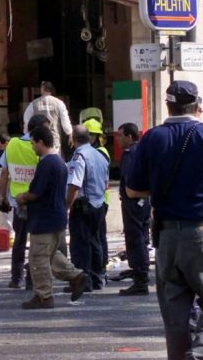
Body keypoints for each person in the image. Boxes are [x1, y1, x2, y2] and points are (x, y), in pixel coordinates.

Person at [126, 80, 203, 360]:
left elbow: (131, 190)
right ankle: (201, 355)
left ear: (167, 105)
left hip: (166, 236)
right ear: (197, 105)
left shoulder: (150, 138)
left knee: (175, 314)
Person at [14, 126, 91, 309]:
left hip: (44, 219)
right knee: (52, 254)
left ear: (41, 142)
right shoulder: (61, 162)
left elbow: (36, 192)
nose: (32, 148)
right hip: (57, 216)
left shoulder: (46, 163)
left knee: (38, 257)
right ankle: (77, 276)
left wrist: (22, 197)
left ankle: (44, 296)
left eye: (33, 143)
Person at [0, 114, 51, 289]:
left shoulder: (11, 144)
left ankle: (16, 278)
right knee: (36, 242)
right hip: (36, 201)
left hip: (17, 202)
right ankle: (31, 279)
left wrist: (2, 197)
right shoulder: (38, 147)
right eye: (45, 128)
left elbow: (4, 173)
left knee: (19, 242)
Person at [66, 125, 109, 291]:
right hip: (99, 205)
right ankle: (98, 279)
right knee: (95, 241)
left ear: (73, 139)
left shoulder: (79, 156)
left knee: (80, 245)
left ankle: (83, 281)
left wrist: (66, 206)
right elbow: (105, 184)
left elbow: (74, 185)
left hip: (83, 206)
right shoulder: (100, 155)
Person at [115, 122, 150, 296]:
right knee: (142, 238)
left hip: (133, 201)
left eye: (120, 135)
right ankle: (140, 274)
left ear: (129, 136)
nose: (118, 139)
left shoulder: (129, 154)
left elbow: (129, 180)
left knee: (135, 239)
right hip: (143, 201)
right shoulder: (142, 151)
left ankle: (140, 279)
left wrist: (130, 194)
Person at [83, 118, 112, 270]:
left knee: (98, 236)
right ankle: (101, 266)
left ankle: (101, 266)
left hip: (99, 199)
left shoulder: (98, 152)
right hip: (99, 199)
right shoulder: (99, 151)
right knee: (98, 235)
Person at [22, 81, 72, 156]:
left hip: (38, 141)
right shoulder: (59, 103)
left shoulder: (34, 104)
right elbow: (65, 121)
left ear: (42, 89)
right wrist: (70, 134)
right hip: (54, 141)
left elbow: (27, 121)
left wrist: (27, 135)